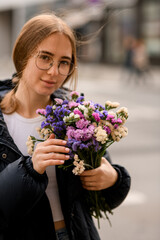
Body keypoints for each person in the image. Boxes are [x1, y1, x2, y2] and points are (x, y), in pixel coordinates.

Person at [0, 13, 131, 240]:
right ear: (23, 55)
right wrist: (30, 169)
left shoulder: (76, 114)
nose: (54, 71)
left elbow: (102, 196)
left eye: (64, 62)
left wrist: (113, 180)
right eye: (45, 58)